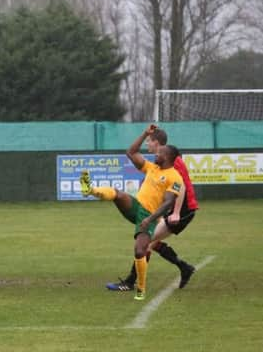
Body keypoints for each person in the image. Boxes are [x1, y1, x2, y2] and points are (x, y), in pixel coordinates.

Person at [80, 124, 184, 300]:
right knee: (118, 194)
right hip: (136, 206)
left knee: (139, 251)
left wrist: (150, 219)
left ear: (167, 157)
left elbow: (168, 204)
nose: (155, 154)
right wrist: (145, 134)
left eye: (159, 153)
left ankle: (141, 289)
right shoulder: (152, 167)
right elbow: (131, 152)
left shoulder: (175, 177)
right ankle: (90, 190)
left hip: (148, 216)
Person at [106, 126, 199, 292]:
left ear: (156, 142)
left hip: (183, 210)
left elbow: (181, 187)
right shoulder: (162, 160)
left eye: (149, 141)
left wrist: (176, 212)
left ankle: (130, 282)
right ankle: (184, 267)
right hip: (169, 209)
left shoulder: (172, 161)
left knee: (146, 242)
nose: (147, 145)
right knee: (150, 241)